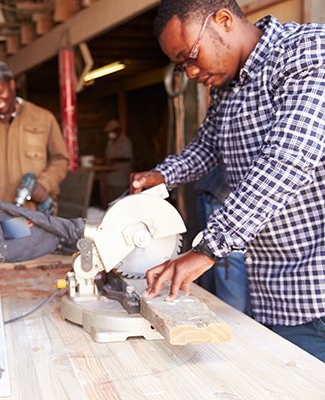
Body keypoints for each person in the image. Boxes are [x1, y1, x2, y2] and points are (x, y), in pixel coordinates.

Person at [131, 0, 325, 361]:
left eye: (190, 56)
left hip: (315, 293)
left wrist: (208, 248)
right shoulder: (227, 87)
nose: (189, 72)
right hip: (269, 287)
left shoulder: (307, 52)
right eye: (180, 66)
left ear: (222, 20)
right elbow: (209, 147)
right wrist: (163, 174)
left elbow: (287, 160)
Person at [0, 60, 70, 209]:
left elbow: (61, 158)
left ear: (12, 84)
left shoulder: (43, 118)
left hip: (38, 213)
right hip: (3, 214)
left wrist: (45, 184)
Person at [195, 165, 250, 315]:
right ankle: (233, 323)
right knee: (226, 260)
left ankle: (235, 323)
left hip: (225, 196)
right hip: (222, 195)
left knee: (226, 259)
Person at [104, 119, 133, 202]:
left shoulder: (125, 141)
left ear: (118, 130)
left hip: (121, 176)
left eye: (112, 131)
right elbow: (107, 155)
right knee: (110, 199)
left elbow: (128, 157)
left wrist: (115, 160)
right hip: (110, 176)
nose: (110, 133)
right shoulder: (110, 142)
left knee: (120, 200)